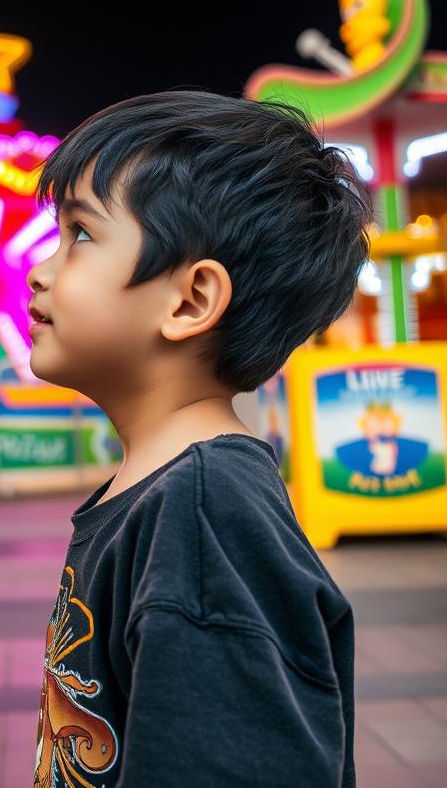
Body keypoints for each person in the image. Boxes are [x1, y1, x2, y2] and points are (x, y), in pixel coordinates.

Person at [27, 91, 370, 788]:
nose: (40, 269)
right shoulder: (170, 491)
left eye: (81, 234)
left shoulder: (203, 514)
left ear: (189, 301)